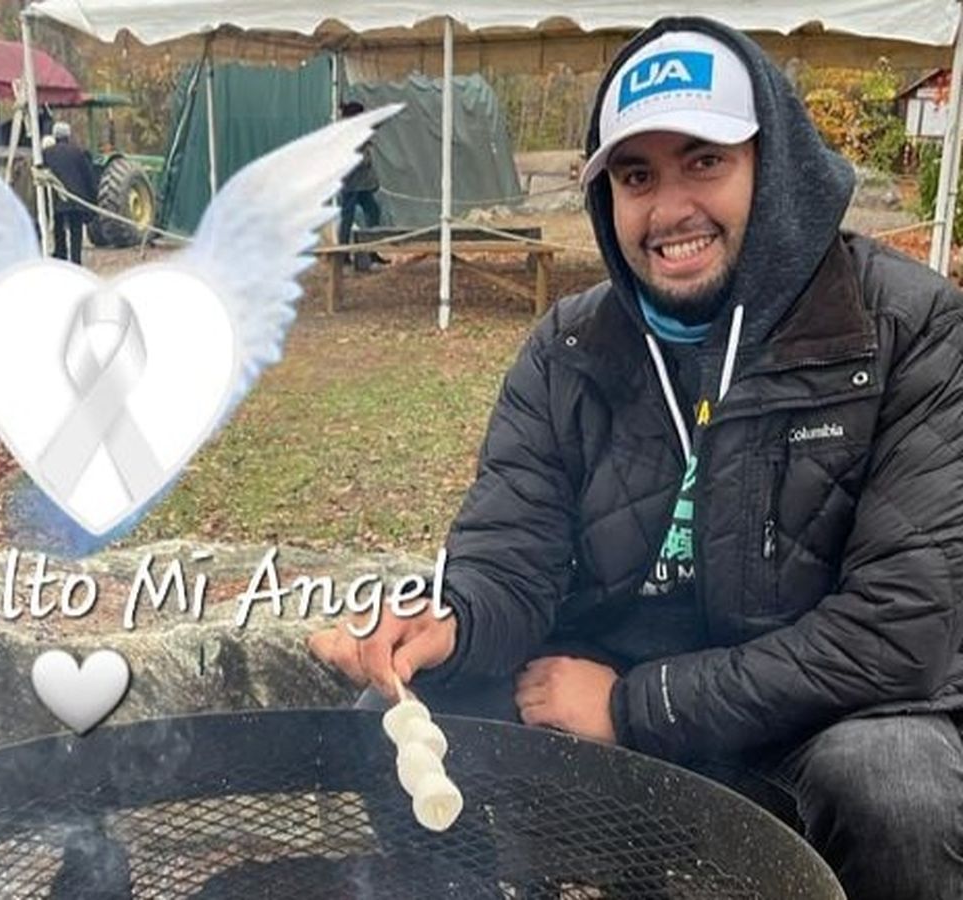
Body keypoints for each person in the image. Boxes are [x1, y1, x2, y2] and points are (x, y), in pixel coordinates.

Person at [310, 16, 963, 900]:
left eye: (705, 161)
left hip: (809, 718)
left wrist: (635, 707)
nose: (669, 210)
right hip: (597, 677)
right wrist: (452, 621)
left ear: (774, 168)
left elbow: (896, 631)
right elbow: (511, 556)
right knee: (393, 721)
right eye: (636, 176)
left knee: (899, 785)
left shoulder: (908, 327)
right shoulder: (570, 346)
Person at [337, 100, 388, 270]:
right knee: (347, 218)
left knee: (373, 212)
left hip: (362, 183)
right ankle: (343, 255)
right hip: (350, 183)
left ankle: (371, 251)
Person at [42, 121, 99, 265]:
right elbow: (88, 177)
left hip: (57, 200)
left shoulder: (47, 154)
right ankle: (75, 260)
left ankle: (61, 256)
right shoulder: (78, 152)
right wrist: (94, 200)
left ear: (55, 136)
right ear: (68, 136)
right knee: (76, 230)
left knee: (58, 228)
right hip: (76, 200)